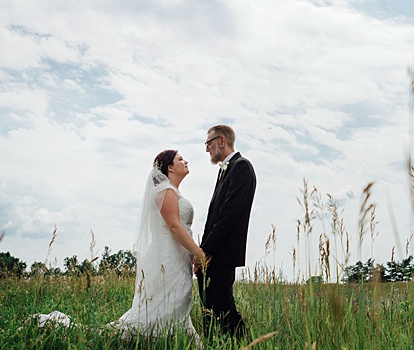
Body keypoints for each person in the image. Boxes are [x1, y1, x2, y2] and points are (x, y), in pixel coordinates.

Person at [31, 150, 205, 343]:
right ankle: (149, 338)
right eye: (180, 159)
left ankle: (173, 340)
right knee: (167, 301)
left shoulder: (173, 192)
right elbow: (174, 226)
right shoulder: (166, 191)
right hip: (169, 258)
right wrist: (198, 252)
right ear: (170, 167)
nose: (186, 161)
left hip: (178, 258)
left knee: (176, 300)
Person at [197, 124, 256, 339]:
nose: (207, 149)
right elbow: (213, 215)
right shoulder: (225, 170)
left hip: (223, 253)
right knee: (210, 310)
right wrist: (201, 250)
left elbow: (229, 215)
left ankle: (246, 343)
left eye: (208, 143)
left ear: (221, 141)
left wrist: (207, 250)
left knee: (223, 308)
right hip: (212, 253)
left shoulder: (242, 167)